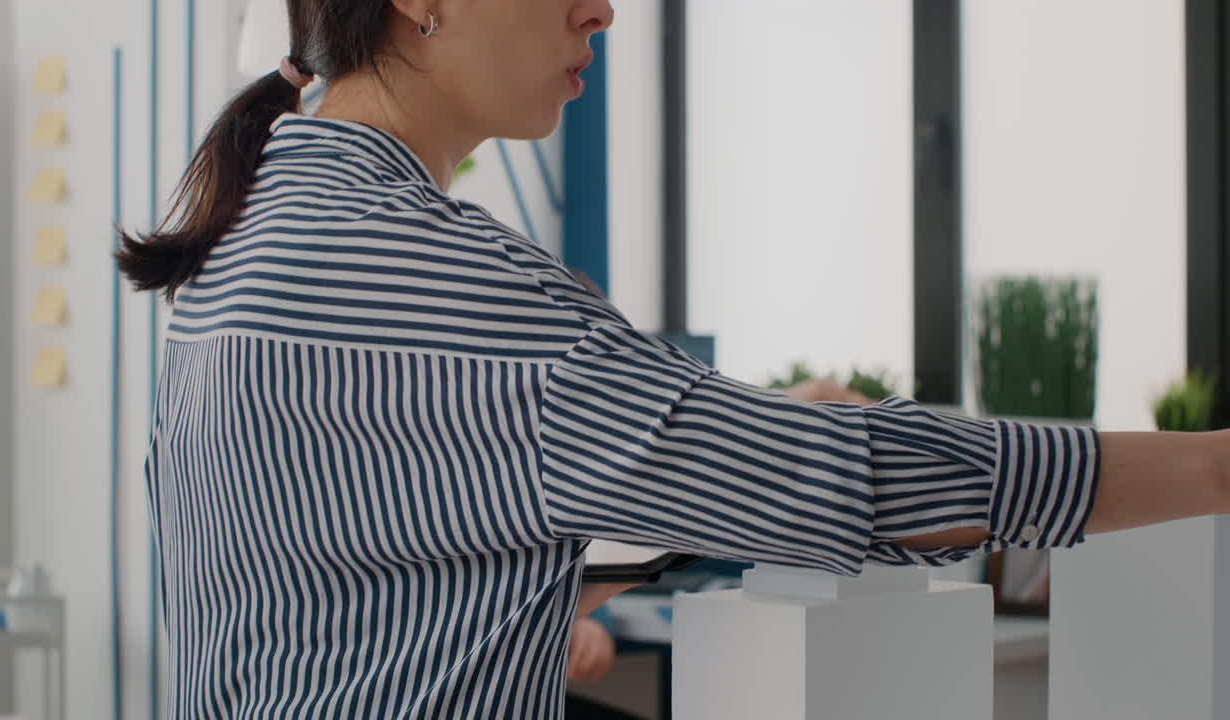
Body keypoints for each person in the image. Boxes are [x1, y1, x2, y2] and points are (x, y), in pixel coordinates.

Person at [116, 1, 1229, 717]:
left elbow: (374, 539)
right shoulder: (461, 290)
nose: (599, 10)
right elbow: (850, 482)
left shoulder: (253, 238)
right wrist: (1210, 471)